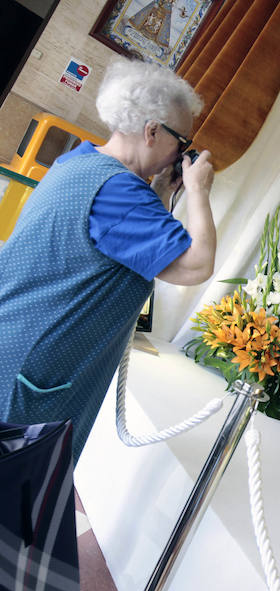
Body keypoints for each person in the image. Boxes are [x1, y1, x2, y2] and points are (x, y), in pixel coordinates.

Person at [0, 58, 216, 463]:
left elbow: (115, 247)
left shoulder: (80, 162)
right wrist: (199, 191)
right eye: (181, 142)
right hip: (30, 374)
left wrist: (162, 195)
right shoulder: (120, 192)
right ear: (152, 131)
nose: (180, 154)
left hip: (12, 346)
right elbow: (196, 265)